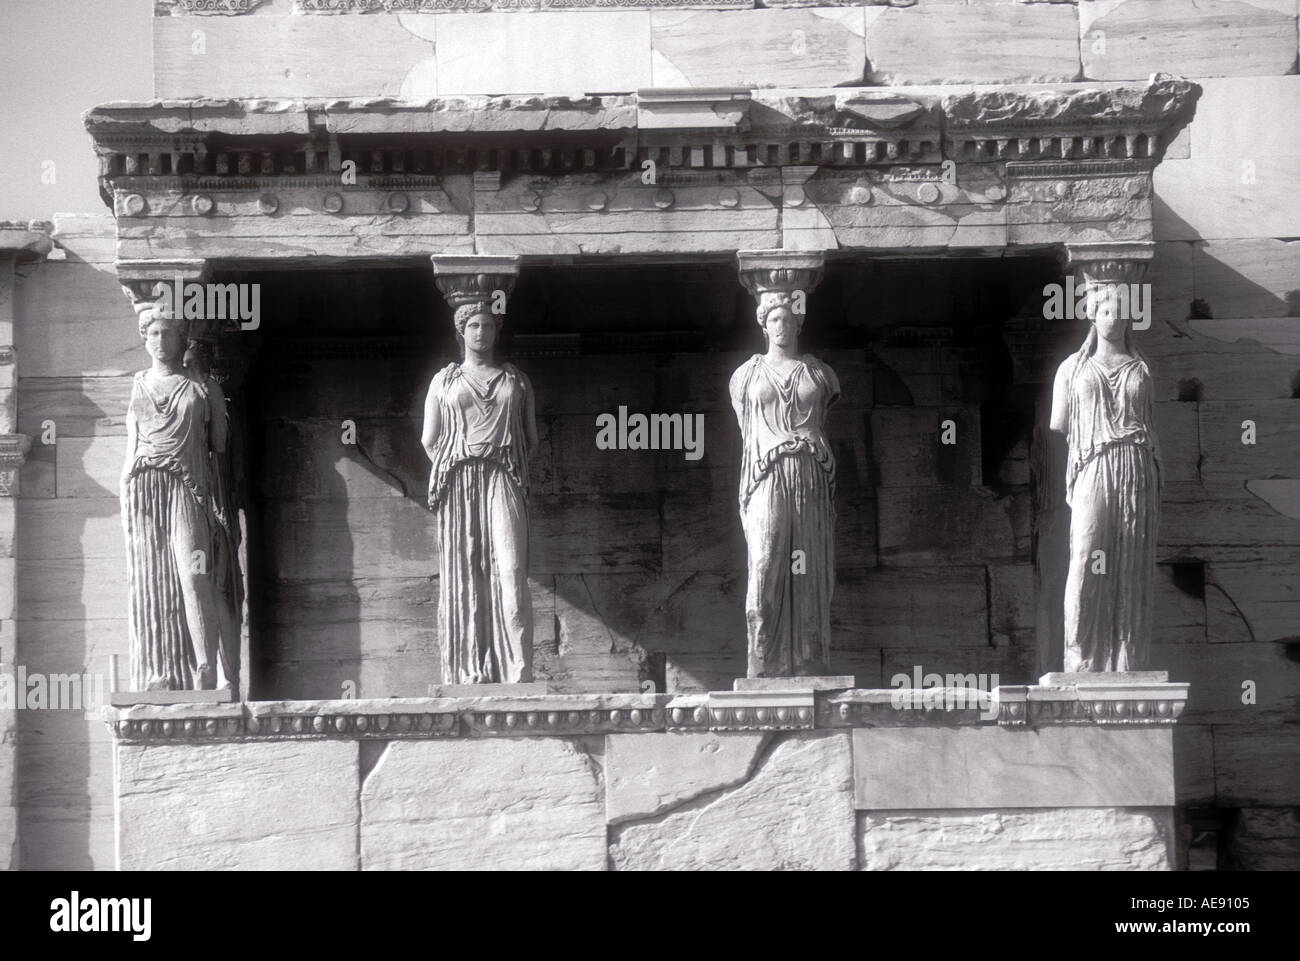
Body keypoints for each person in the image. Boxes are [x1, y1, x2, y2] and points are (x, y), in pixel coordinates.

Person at [123, 310, 239, 690]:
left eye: (167, 333)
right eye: (153, 333)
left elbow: (220, 449)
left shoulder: (203, 388)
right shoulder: (137, 384)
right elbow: (131, 444)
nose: (159, 340)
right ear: (143, 338)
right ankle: (163, 673)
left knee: (195, 573)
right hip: (143, 487)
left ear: (181, 338)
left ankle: (208, 668)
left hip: (188, 488)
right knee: (153, 578)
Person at [422, 304, 537, 684]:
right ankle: (469, 668)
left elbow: (530, 441)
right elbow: (429, 439)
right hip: (459, 479)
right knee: (467, 572)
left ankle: (518, 668)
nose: (480, 332)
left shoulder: (516, 381)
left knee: (511, 569)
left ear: (496, 331)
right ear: (461, 330)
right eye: (473, 325)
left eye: (487, 325)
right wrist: (457, 460)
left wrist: (499, 457)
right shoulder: (444, 381)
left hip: (503, 475)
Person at [1050, 286, 1162, 672]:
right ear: (1092, 316)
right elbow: (1060, 423)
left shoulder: (1142, 369)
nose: (1113, 318)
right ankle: (1080, 659)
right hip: (1093, 464)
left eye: (1121, 312)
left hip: (1135, 465)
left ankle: (1127, 660)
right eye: (1105, 311)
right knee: (1086, 553)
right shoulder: (1071, 369)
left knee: (1130, 558)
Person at [729, 291, 839, 677]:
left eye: (789, 319)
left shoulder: (820, 374)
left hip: (809, 472)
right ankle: (763, 661)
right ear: (763, 324)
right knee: (765, 562)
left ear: (798, 324)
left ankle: (808, 660)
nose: (782, 326)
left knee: (807, 567)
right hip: (766, 474)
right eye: (774, 319)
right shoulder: (745, 376)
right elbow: (748, 431)